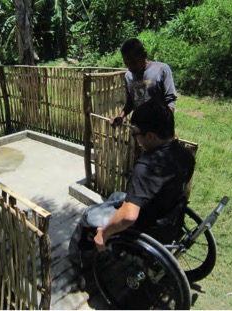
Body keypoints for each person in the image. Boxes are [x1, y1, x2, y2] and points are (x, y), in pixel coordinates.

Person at [68, 102, 195, 276]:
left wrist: (104, 233)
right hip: (167, 216)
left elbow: (128, 216)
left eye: (135, 133)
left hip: (147, 225)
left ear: (150, 136)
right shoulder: (185, 154)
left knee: (88, 215)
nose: (134, 137)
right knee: (115, 196)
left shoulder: (146, 167)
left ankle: (80, 267)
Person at [110, 38, 177, 127]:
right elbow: (131, 102)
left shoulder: (161, 70)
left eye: (134, 62)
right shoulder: (128, 76)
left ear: (144, 55)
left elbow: (170, 101)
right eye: (126, 63)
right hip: (139, 131)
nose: (130, 67)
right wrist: (121, 116)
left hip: (159, 132)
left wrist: (164, 126)